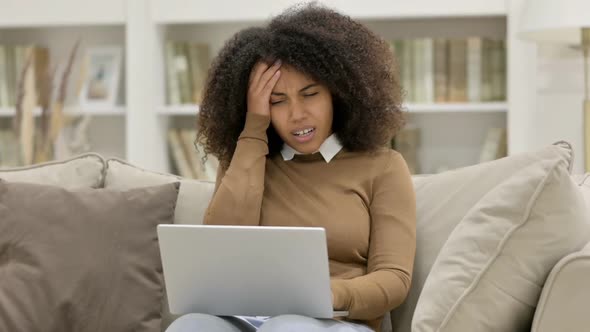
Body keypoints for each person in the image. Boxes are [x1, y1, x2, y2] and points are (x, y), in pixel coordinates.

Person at [166, 3, 416, 332]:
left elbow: (395, 279)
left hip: (338, 321)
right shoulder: (247, 159)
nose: (296, 114)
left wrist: (330, 294)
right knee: (191, 327)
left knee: (287, 328)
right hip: (247, 317)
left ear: (338, 93)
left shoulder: (383, 167)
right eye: (277, 100)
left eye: (309, 94)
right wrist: (254, 129)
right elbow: (221, 247)